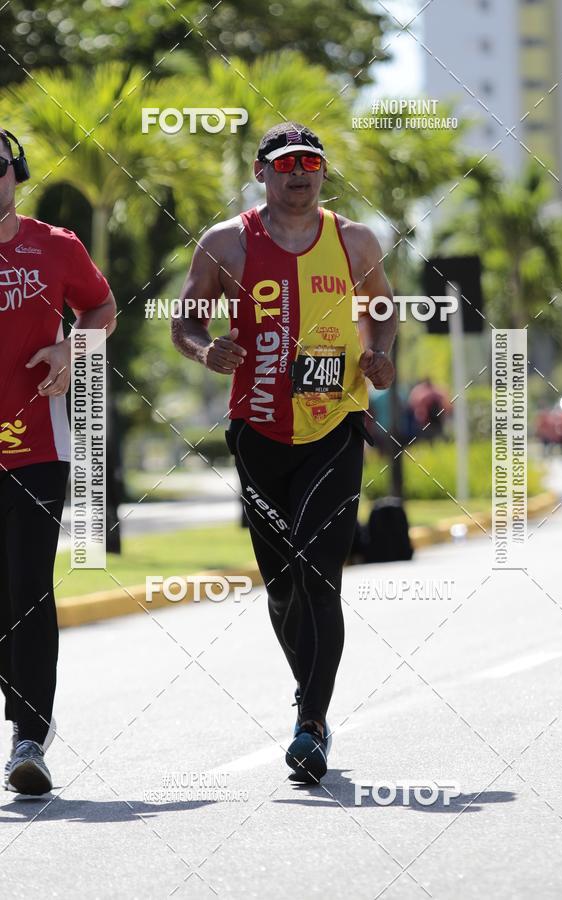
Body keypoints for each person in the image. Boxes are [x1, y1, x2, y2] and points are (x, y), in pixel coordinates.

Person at [173, 122, 397, 782]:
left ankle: (311, 723)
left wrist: (381, 354)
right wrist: (202, 348)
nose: (300, 173)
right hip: (258, 430)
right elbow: (187, 321)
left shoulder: (353, 239)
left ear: (323, 172)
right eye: (286, 162)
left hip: (333, 424)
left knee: (320, 569)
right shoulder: (226, 245)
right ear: (262, 170)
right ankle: (310, 693)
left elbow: (382, 308)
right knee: (282, 585)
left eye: (312, 162)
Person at [0, 128, 117, 794]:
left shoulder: (57, 246)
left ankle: (27, 737)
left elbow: (100, 305)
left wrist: (74, 350)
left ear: (15, 173)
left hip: (38, 447)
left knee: (29, 587)